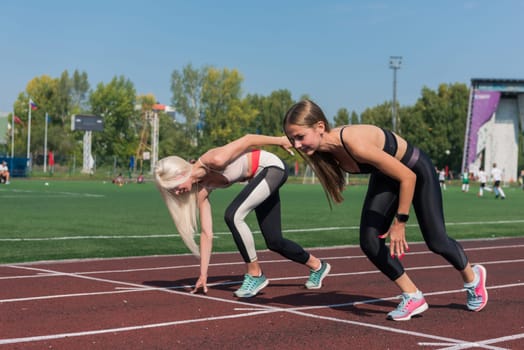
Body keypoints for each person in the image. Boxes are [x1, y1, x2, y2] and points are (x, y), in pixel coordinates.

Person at [282, 99, 487, 321]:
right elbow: (279, 139)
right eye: (292, 139)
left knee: (436, 241)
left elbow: (408, 177)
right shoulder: (317, 145)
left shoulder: (353, 143)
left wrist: (400, 222)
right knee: (370, 241)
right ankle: (412, 295)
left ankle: (472, 278)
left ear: (320, 127)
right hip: (387, 177)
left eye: (300, 137)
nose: (296, 144)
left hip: (415, 170)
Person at [154, 134, 331, 297]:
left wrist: (281, 141)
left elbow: (248, 140)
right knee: (274, 241)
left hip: (271, 168)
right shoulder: (200, 190)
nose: (177, 193)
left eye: (175, 187)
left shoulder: (213, 159)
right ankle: (317, 266)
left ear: (181, 173)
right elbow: (207, 233)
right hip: (259, 179)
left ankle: (255, 274)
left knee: (233, 215)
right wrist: (203, 274)